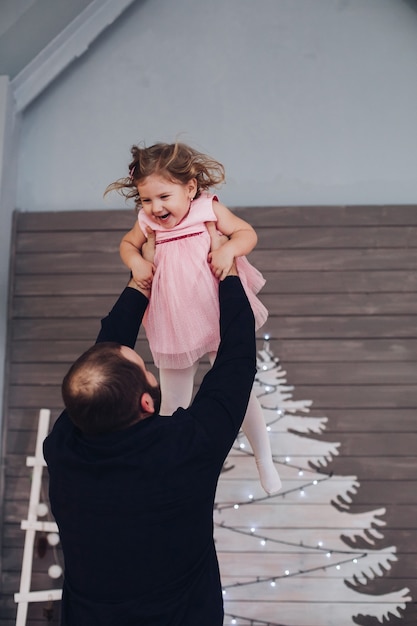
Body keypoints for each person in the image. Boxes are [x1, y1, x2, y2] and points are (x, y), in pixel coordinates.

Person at [43, 259, 255, 626]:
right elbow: (235, 362)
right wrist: (229, 272)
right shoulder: (184, 449)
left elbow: (101, 368)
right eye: (145, 367)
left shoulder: (64, 448)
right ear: (145, 400)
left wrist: (140, 285)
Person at [105, 141, 281, 494]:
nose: (155, 207)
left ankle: (265, 459)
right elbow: (127, 245)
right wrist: (137, 261)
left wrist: (229, 248)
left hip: (213, 307)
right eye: (147, 200)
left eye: (164, 197)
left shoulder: (208, 209)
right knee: (172, 402)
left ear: (190, 188)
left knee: (238, 386)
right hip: (173, 317)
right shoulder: (146, 223)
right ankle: (172, 472)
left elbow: (247, 233)